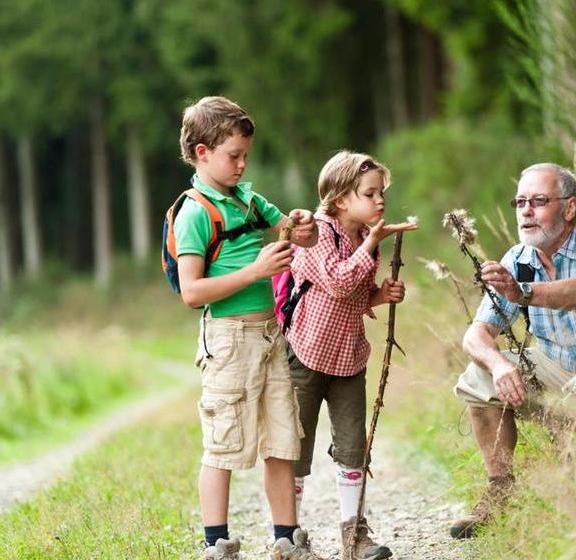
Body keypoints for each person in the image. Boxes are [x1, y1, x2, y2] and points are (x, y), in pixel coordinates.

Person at [450, 162, 576, 539]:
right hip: (567, 381)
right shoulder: (518, 259)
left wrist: (522, 292)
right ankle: (501, 491)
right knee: (478, 374)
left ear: (570, 208)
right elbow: (475, 334)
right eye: (520, 202)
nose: (526, 210)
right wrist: (497, 366)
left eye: (539, 201)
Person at [174, 95, 323, 560]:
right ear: (202, 152)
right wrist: (256, 272)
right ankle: (216, 543)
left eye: (245, 156)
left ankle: (286, 537)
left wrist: (301, 224)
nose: (241, 165)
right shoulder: (195, 212)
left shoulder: (248, 199)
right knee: (223, 443)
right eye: (232, 156)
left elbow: (305, 236)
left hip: (268, 334)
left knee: (283, 437)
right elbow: (191, 292)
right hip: (227, 336)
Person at [283, 151, 417, 560]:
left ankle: (353, 535)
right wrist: (374, 242)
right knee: (296, 449)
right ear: (341, 199)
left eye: (382, 193)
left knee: (354, 446)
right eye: (370, 193)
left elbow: (354, 297)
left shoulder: (362, 238)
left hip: (347, 356)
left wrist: (379, 295)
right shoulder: (316, 233)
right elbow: (339, 283)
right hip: (306, 354)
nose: (380, 201)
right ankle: (288, 535)